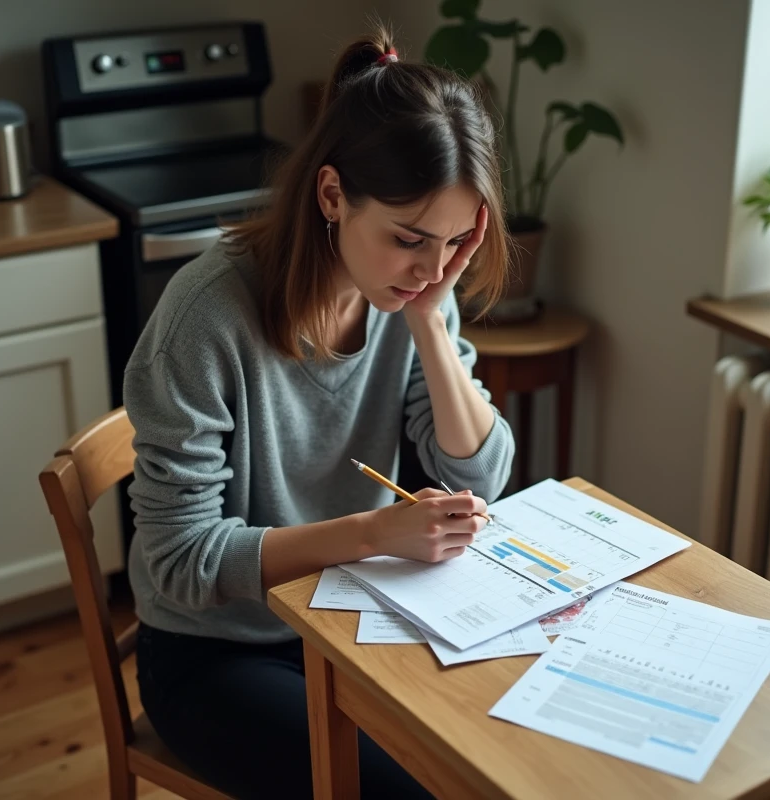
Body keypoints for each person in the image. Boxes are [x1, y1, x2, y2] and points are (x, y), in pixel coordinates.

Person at [123, 23, 516, 800]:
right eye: (408, 239)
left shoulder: (413, 292)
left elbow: (483, 475)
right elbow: (177, 560)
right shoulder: (206, 316)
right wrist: (373, 533)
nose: (432, 268)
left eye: (452, 243)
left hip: (352, 623)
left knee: (501, 753)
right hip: (219, 654)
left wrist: (432, 324)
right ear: (333, 194)